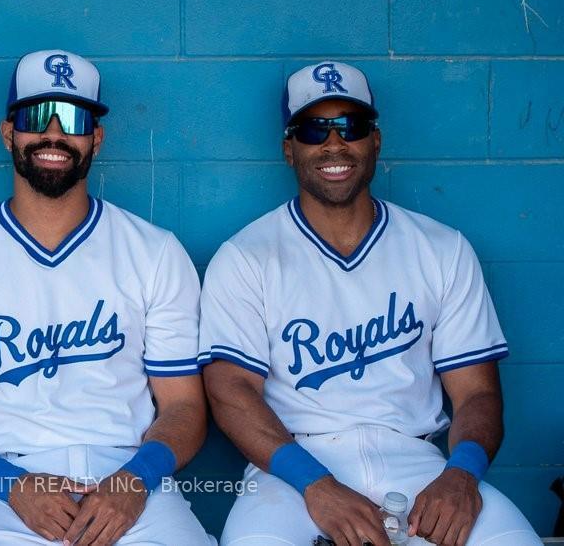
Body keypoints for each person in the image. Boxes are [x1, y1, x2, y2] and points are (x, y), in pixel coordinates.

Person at [200, 61, 542, 546]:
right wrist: (316, 485)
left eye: (351, 126)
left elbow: (476, 394)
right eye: (314, 129)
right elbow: (230, 391)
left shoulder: (442, 248)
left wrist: (462, 475)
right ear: (289, 149)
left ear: (375, 141)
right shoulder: (246, 256)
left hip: (418, 460)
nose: (334, 144)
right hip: (291, 471)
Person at [0, 49, 214, 546]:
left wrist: (133, 483)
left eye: (73, 119)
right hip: (0, 484)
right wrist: (12, 486)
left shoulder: (155, 252)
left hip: (132, 477)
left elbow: (184, 406)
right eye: (36, 118)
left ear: (96, 138)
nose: (54, 134)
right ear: (8, 133)